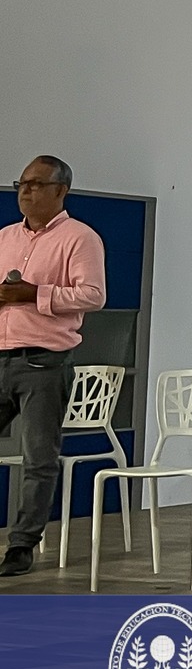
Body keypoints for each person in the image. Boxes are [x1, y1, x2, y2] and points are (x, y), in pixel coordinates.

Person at [0, 156, 106, 577]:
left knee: (38, 458)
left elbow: (93, 295)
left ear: (61, 190)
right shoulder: (5, 237)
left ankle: (21, 545)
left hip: (43, 361)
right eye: (21, 184)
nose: (25, 191)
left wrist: (35, 294)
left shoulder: (80, 237)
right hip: (1, 354)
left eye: (36, 184)